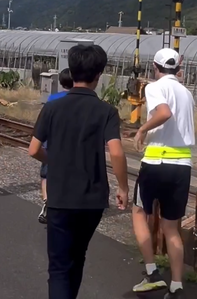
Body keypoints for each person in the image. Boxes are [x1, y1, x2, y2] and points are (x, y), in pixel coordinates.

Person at [28, 45, 129, 299]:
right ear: (99, 75)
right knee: (77, 258)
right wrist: (124, 187)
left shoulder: (53, 107)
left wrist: (52, 161)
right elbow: (116, 152)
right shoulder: (107, 111)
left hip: (60, 197)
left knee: (59, 267)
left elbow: (33, 149)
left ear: (71, 72)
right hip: (92, 200)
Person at [130, 48, 196, 298]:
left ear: (155, 68)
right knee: (171, 227)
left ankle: (152, 273)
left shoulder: (154, 86)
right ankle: (177, 284)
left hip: (157, 161)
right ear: (177, 68)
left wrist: (142, 130)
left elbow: (163, 113)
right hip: (182, 166)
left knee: (138, 212)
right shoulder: (186, 93)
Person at [38, 68, 73, 224]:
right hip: (70, 145)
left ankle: (46, 201)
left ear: (60, 82)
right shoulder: (77, 100)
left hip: (50, 144)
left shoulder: (53, 99)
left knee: (45, 175)